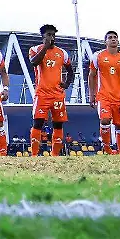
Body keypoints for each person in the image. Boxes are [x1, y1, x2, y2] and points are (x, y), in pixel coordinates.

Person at [27, 24, 74, 157]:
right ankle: (34, 155)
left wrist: (66, 84)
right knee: (38, 123)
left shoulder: (62, 53)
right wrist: (45, 48)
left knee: (58, 124)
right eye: (49, 35)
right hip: (42, 94)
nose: (52, 37)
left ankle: (55, 155)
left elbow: (70, 71)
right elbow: (33, 63)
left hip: (58, 95)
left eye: (53, 35)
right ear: (43, 36)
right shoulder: (35, 49)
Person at [88, 30, 120, 155]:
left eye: (115, 37)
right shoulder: (98, 56)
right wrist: (92, 95)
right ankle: (107, 149)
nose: (113, 39)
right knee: (105, 119)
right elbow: (92, 75)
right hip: (103, 96)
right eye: (110, 37)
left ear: (118, 41)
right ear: (105, 41)